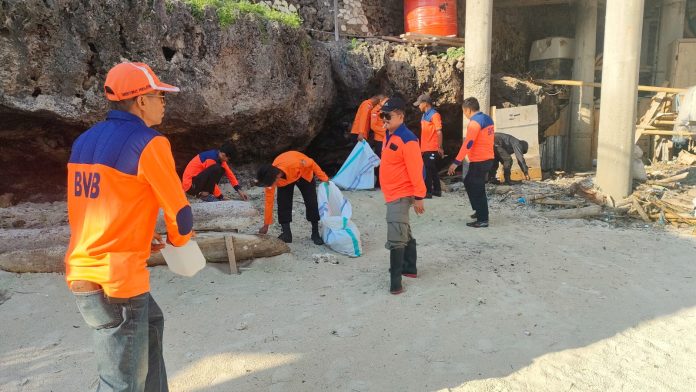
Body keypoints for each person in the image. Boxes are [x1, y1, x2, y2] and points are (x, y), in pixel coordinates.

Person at [65, 62, 193, 391]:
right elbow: (180, 214)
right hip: (117, 281)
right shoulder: (150, 142)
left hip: (83, 273)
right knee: (120, 384)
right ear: (140, 101)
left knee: (151, 323)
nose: (164, 102)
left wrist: (141, 235)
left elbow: (96, 207)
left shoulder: (83, 142)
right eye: (159, 96)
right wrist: (182, 248)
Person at [378, 97, 426, 294]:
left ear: (400, 115)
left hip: (401, 193)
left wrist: (419, 196)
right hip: (392, 192)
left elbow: (417, 169)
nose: (384, 120)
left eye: (387, 116)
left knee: (396, 234)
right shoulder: (388, 135)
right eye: (382, 115)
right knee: (403, 230)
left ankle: (395, 283)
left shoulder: (408, 139)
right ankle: (409, 268)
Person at [256, 151, 329, 245]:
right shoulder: (270, 177)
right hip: (285, 180)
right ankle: (286, 234)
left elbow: (312, 162)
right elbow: (269, 202)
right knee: (283, 203)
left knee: (311, 202)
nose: (270, 187)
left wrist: (325, 179)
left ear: (276, 177)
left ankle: (315, 233)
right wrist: (266, 225)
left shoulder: (296, 164)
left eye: (271, 184)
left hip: (303, 174)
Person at [447, 97, 495, 228]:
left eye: (464, 111)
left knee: (477, 188)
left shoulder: (474, 123)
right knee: (469, 182)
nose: (464, 114)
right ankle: (479, 210)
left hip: (480, 160)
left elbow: (467, 144)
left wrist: (455, 162)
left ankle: (483, 219)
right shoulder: (487, 118)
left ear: (468, 110)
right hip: (487, 159)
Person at [181, 144, 249, 202]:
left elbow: (230, 174)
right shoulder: (211, 159)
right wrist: (220, 197)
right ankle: (205, 195)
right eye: (228, 159)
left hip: (197, 182)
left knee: (221, 169)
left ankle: (205, 193)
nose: (228, 161)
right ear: (223, 155)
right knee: (217, 169)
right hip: (191, 186)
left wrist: (239, 191)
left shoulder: (219, 157)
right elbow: (212, 180)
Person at [414, 93, 444, 198]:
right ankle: (437, 190)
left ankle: (428, 192)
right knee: (432, 169)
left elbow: (439, 132)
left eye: (419, 104)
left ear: (425, 104)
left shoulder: (435, 115)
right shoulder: (424, 115)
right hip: (425, 148)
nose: (418, 106)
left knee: (427, 169)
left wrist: (440, 147)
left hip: (432, 147)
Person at [369, 95, 390, 187]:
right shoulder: (375, 111)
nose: (387, 103)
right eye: (385, 101)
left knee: (386, 161)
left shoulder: (388, 110)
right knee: (379, 161)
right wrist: (385, 132)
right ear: (381, 101)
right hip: (379, 140)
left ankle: (383, 181)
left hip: (387, 140)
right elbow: (373, 126)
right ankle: (378, 181)